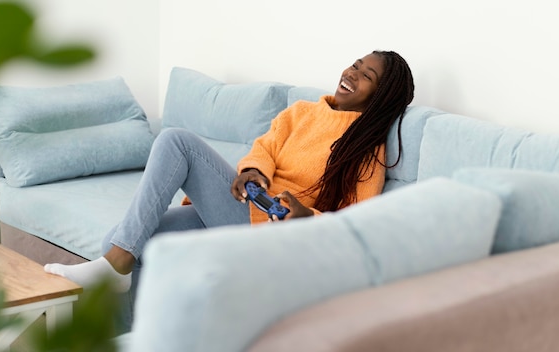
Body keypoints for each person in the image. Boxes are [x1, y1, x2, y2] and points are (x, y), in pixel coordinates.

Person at [44, 50, 415, 292]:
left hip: (274, 235)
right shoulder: (303, 111)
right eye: (356, 63)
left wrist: (307, 216)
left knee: (177, 143)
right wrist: (254, 172)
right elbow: (265, 148)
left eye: (367, 75)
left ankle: (118, 263)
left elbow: (355, 226)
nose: (353, 73)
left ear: (380, 96)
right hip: (242, 206)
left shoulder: (369, 154)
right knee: (126, 238)